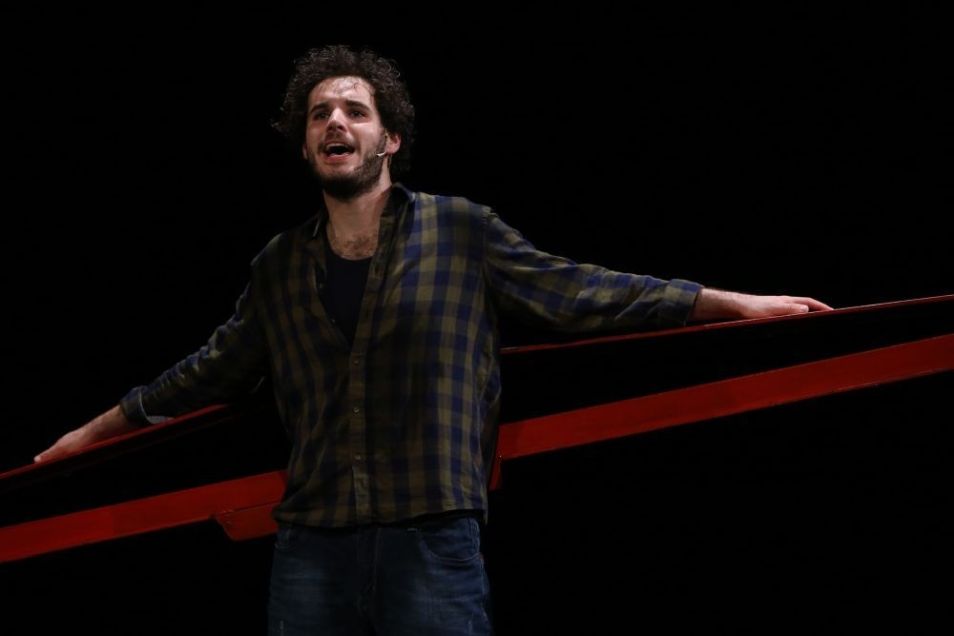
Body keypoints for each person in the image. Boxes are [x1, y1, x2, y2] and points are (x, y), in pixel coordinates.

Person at [34, 45, 832, 634]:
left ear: (388, 140)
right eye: (319, 114)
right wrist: (93, 434)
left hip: (432, 536)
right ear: (305, 144)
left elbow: (586, 292)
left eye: (355, 110)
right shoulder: (278, 266)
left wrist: (731, 304)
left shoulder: (460, 231)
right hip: (311, 546)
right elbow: (204, 373)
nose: (335, 120)